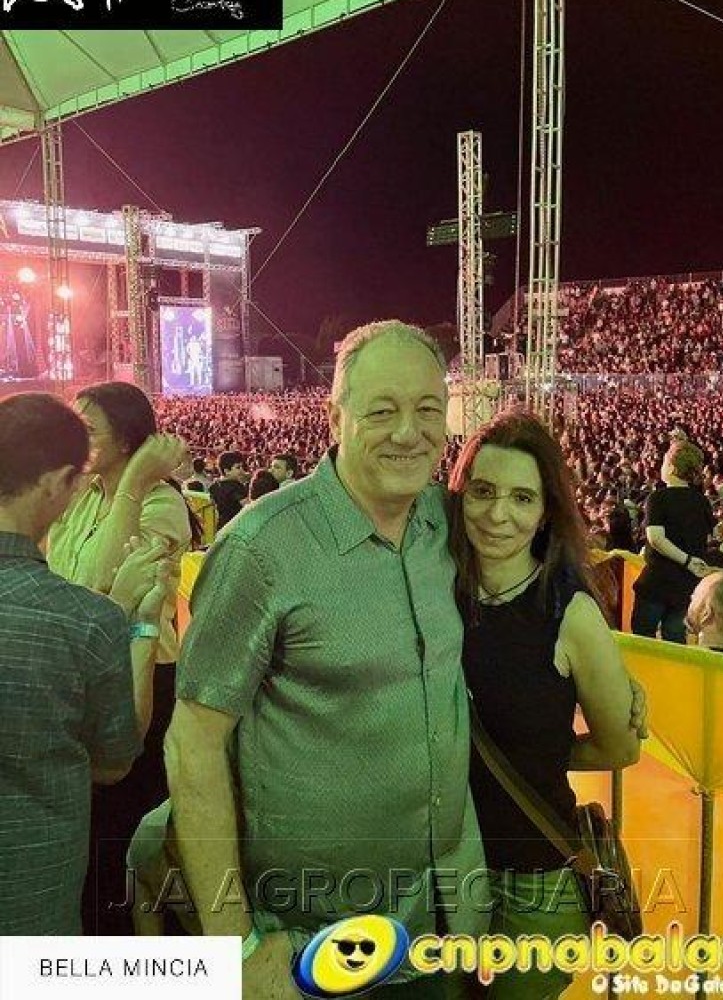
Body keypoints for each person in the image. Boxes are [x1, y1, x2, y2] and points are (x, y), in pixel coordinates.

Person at [145, 321, 486, 997]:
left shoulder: (445, 524)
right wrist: (236, 947)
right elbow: (193, 743)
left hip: (441, 916)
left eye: (427, 409)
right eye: (382, 411)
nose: (409, 432)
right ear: (335, 419)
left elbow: (542, 546)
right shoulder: (260, 549)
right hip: (309, 935)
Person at [449, 409, 641, 1000]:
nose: (497, 514)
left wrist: (540, 751)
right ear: (459, 494)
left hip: (534, 880)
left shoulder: (569, 613)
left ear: (546, 511)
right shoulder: (433, 584)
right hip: (440, 870)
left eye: (522, 498)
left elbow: (620, 747)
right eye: (483, 491)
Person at [0, 393, 171, 934]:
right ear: (57, 484)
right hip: (31, 900)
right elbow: (115, 758)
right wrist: (137, 623)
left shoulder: (159, 505)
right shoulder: (83, 621)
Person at [46, 380, 190, 933]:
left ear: (128, 441)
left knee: (121, 834)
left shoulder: (161, 503)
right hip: (77, 673)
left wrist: (132, 483)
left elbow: (102, 590)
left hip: (141, 672)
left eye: (90, 430)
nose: (76, 439)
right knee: (84, 831)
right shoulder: (82, 497)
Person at [631, 441, 715, 643]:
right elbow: (708, 538)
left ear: (671, 468)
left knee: (642, 636)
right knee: (675, 639)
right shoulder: (702, 501)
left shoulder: (658, 498)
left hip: (657, 582)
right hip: (686, 585)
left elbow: (656, 538)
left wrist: (686, 560)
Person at [208, 450, 249, 528]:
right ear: (227, 471)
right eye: (238, 467)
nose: (242, 470)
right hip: (236, 526)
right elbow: (247, 506)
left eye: (242, 467)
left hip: (221, 526)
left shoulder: (214, 486)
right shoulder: (236, 486)